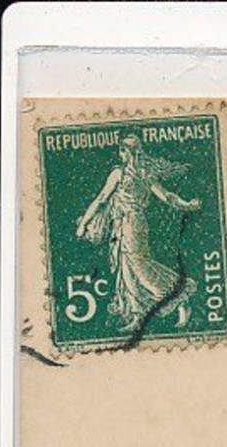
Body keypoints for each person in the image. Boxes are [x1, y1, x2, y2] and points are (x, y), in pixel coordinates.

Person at [75, 134, 202, 332]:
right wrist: (186, 204)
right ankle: (137, 315)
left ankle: (177, 296)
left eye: (122, 151)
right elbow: (167, 196)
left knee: (139, 266)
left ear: (128, 152)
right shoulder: (139, 173)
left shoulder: (129, 174)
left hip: (132, 224)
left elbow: (101, 199)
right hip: (122, 225)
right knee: (125, 269)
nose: (120, 154)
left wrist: (84, 223)